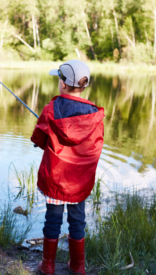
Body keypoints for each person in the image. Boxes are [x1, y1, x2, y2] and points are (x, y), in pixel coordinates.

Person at [31, 60, 105, 275]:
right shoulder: (95, 114)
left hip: (56, 179)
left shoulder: (50, 109)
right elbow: (96, 147)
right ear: (85, 85)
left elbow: (39, 140)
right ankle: (78, 266)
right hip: (80, 181)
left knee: (52, 219)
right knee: (78, 220)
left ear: (63, 84)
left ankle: (48, 265)